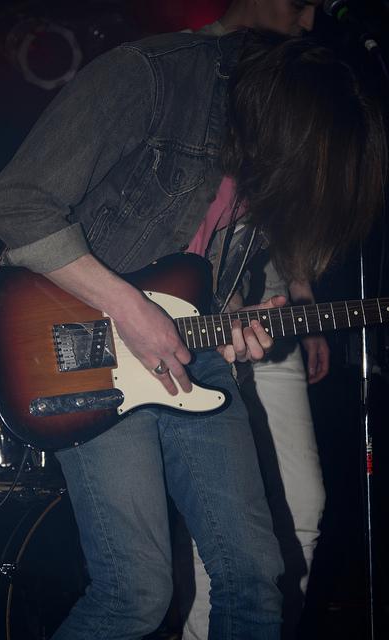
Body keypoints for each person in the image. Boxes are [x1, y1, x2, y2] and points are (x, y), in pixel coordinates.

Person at [0, 25, 386, 640]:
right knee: (136, 594)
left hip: (190, 355)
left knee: (255, 579)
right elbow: (13, 205)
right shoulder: (153, 75)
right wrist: (130, 309)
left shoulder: (267, 145)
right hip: (84, 348)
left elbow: (202, 275)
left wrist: (232, 326)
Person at [176, 2, 328, 639]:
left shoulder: (296, 75)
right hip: (190, 302)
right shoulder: (183, 63)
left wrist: (305, 300)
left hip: (262, 293)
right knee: (224, 514)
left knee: (304, 505)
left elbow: (289, 199)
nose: (312, 20)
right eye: (300, 4)